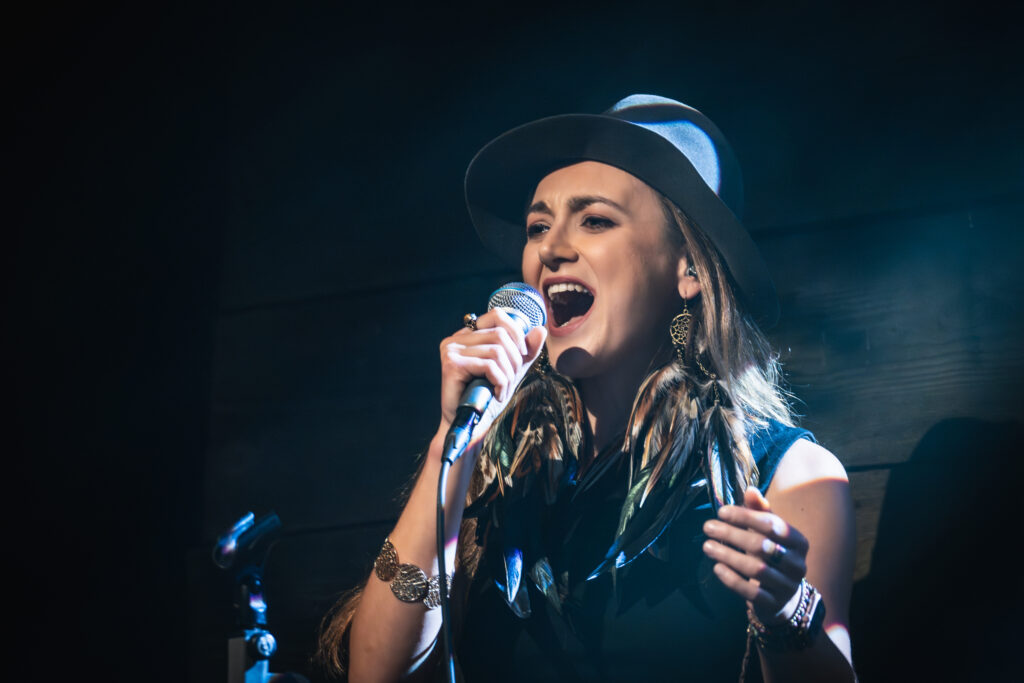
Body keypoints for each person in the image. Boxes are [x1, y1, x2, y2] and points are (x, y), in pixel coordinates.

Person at [316, 95, 856, 682]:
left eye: (595, 220)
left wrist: (787, 613)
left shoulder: (790, 476)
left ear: (689, 269)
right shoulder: (503, 469)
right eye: (537, 227)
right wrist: (452, 441)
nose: (549, 249)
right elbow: (374, 672)